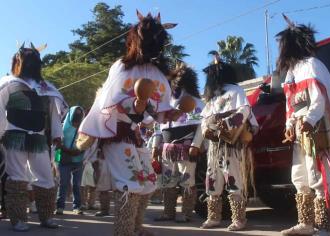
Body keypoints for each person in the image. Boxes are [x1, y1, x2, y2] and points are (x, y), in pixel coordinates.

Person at [78, 10, 179, 236]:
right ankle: (123, 231)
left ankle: (135, 227)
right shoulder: (121, 67)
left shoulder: (157, 73)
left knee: (148, 182)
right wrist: (136, 106)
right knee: (130, 182)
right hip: (117, 132)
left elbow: (155, 110)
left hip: (134, 134)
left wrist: (166, 115)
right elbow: (109, 102)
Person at [277, 15, 330, 236]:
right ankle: (305, 223)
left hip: (315, 128)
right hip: (299, 130)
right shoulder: (291, 73)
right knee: (299, 175)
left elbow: (318, 99)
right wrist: (289, 124)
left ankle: (323, 226)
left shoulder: (312, 65)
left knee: (317, 175)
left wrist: (309, 120)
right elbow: (290, 104)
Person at [0, 43, 67, 231]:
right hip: (14, 137)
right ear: (19, 61)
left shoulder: (46, 88)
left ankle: (46, 216)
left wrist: (57, 135)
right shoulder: (8, 83)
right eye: (28, 61)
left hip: (38, 138)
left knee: (46, 176)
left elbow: (54, 112)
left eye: (35, 61)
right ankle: (18, 219)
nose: (32, 64)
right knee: (17, 177)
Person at [200, 56, 258, 231]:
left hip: (231, 144)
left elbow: (245, 110)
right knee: (212, 179)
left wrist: (227, 125)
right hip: (214, 146)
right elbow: (204, 118)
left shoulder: (235, 90)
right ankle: (213, 217)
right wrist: (206, 129)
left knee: (233, 179)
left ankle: (239, 219)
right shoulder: (211, 97)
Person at [154, 63, 204, 223]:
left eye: (179, 78)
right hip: (167, 147)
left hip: (186, 147)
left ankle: (186, 213)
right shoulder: (166, 101)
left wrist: (196, 145)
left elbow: (201, 126)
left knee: (186, 180)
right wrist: (156, 145)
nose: (176, 81)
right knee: (168, 181)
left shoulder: (195, 101)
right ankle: (168, 212)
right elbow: (158, 125)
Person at [56, 106, 85, 215]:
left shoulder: (84, 128)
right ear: (71, 114)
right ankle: (60, 207)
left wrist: (79, 151)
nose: (78, 115)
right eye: (76, 113)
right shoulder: (62, 128)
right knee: (63, 183)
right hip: (64, 161)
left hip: (78, 160)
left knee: (76, 184)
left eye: (80, 113)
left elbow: (87, 143)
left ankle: (77, 207)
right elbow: (57, 146)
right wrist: (56, 162)